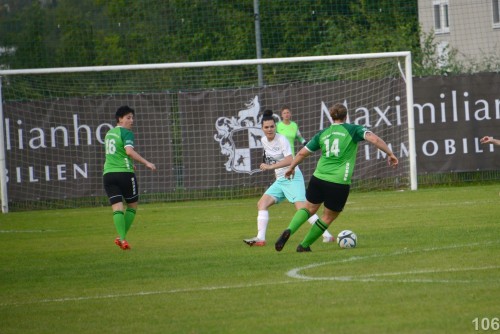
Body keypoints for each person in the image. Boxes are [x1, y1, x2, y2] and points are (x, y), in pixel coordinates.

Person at [275, 103, 398, 252]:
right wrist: (390, 154)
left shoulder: (323, 133)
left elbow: (301, 153)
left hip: (318, 178)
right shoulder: (353, 129)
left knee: (308, 208)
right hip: (339, 182)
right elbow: (375, 140)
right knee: (328, 217)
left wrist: (291, 167)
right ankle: (304, 245)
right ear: (346, 116)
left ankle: (289, 229)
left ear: (331, 117)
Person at [243, 110, 335, 247]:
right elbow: (272, 157)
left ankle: (327, 235)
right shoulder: (263, 140)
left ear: (276, 127)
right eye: (266, 127)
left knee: (303, 209)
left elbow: (289, 160)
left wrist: (269, 167)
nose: (269, 129)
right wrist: (273, 169)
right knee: (262, 204)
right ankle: (260, 239)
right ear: (262, 128)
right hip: (280, 180)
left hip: (292, 177)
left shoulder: (282, 139)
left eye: (272, 126)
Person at [103, 106, 157, 250]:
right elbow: (128, 151)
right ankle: (121, 238)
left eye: (132, 117)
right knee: (132, 206)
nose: (131, 121)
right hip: (124, 174)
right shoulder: (126, 133)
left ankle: (122, 238)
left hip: (108, 175)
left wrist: (129, 164)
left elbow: (116, 154)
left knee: (117, 208)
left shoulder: (109, 133)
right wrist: (147, 163)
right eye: (128, 118)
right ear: (120, 119)